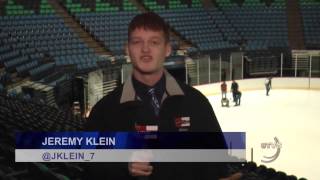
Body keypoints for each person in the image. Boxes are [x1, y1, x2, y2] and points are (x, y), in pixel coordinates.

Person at [84, 12, 241, 180]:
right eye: (137, 42)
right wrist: (123, 165)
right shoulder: (104, 110)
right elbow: (90, 164)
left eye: (154, 42)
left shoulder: (197, 102)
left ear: (167, 49)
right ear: (127, 49)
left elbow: (217, 161)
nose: (145, 49)